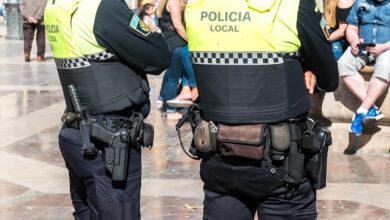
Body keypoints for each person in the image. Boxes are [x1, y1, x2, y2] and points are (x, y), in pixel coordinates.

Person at [183, 0, 338, 219]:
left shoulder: (197, 5)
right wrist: (302, 65)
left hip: (219, 155)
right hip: (281, 162)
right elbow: (330, 78)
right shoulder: (292, 4)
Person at [44, 0, 170, 219]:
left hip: (77, 131)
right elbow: (158, 57)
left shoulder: (57, 5)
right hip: (109, 141)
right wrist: (154, 32)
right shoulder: (102, 7)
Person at [338, 0, 390, 136]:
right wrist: (354, 40)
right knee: (343, 64)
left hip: (387, 48)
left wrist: (384, 47)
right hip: (363, 47)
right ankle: (372, 108)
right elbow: (351, 28)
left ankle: (362, 110)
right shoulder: (360, 2)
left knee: (386, 66)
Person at [158, 0, 197, 120]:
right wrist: (191, 41)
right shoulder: (174, 1)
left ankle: (174, 100)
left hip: (175, 43)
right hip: (176, 43)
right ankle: (171, 111)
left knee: (172, 76)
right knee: (173, 78)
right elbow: (178, 26)